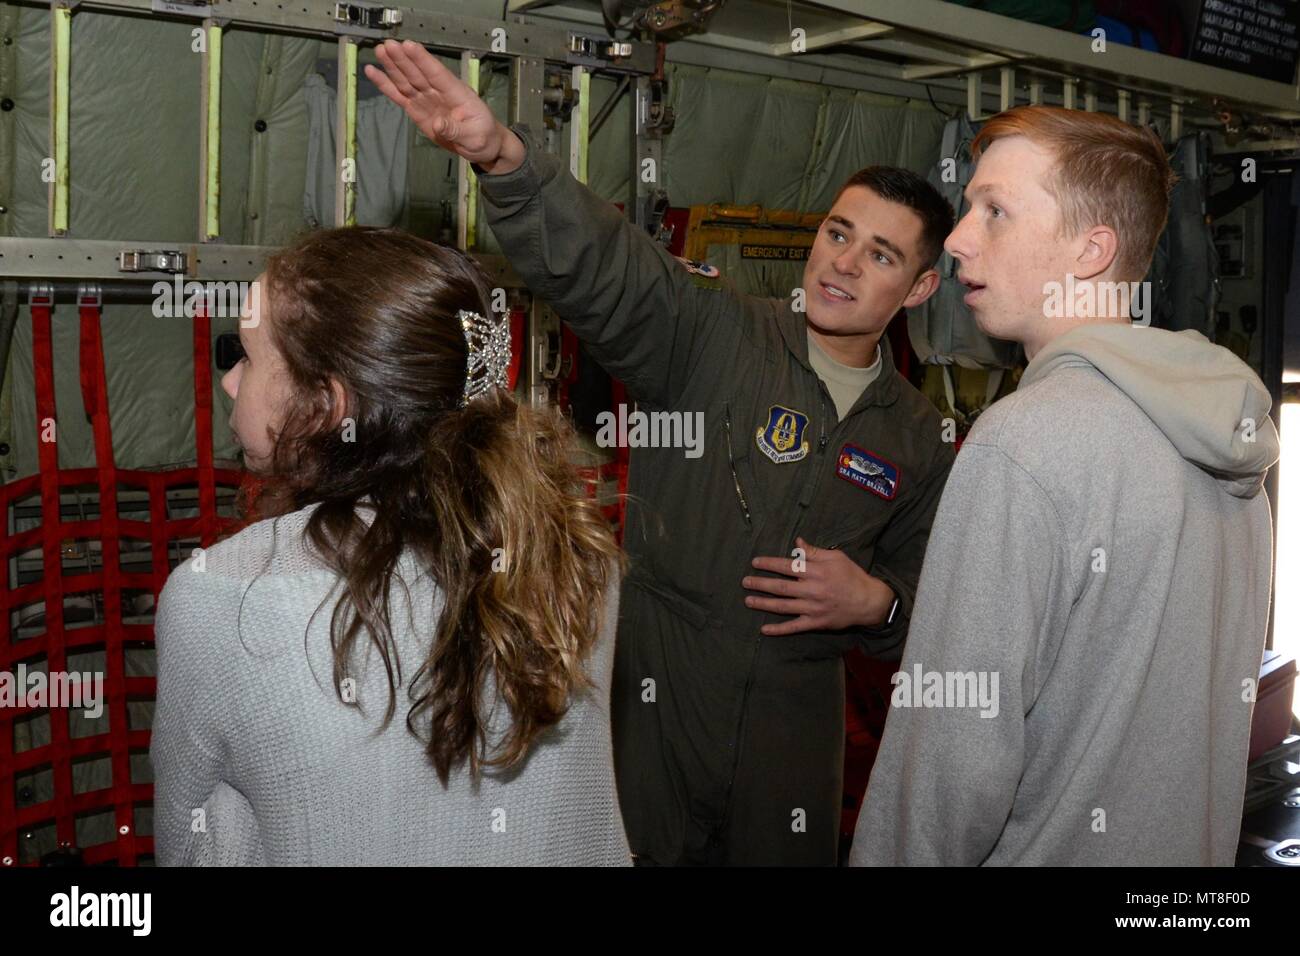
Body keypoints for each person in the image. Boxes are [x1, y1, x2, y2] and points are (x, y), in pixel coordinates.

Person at [368, 39, 956, 865]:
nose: (844, 264)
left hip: (795, 727)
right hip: (654, 697)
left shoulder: (920, 437)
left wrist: (877, 606)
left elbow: (943, 605)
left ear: (922, 287)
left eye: (882, 255)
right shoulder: (718, 333)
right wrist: (504, 160)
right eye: (838, 233)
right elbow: (613, 270)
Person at [850, 105, 1280, 866]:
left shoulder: (1022, 444)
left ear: (1090, 250)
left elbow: (948, 766)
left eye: (996, 212)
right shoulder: (1228, 437)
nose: (955, 239)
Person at [150, 227, 631, 866]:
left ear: (325, 405)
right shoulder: (574, 556)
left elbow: (191, 848)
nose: (232, 380)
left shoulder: (222, 599)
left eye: (247, 355)